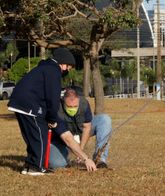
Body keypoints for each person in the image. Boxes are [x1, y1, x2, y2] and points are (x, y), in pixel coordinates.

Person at [7, 47, 97, 175]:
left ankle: (29, 165)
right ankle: (37, 168)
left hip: (19, 103)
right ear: (63, 63)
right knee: (40, 135)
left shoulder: (44, 68)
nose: (69, 69)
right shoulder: (53, 71)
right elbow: (52, 97)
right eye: (69, 66)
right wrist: (52, 118)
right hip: (29, 104)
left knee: (32, 136)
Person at [49, 88, 111, 169]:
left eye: (75, 106)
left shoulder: (83, 103)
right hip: (62, 138)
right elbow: (67, 138)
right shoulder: (56, 108)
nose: (72, 109)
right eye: (69, 106)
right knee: (57, 164)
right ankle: (67, 159)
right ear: (63, 101)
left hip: (79, 132)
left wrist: (81, 150)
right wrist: (84, 158)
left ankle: (100, 159)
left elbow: (87, 127)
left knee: (104, 119)